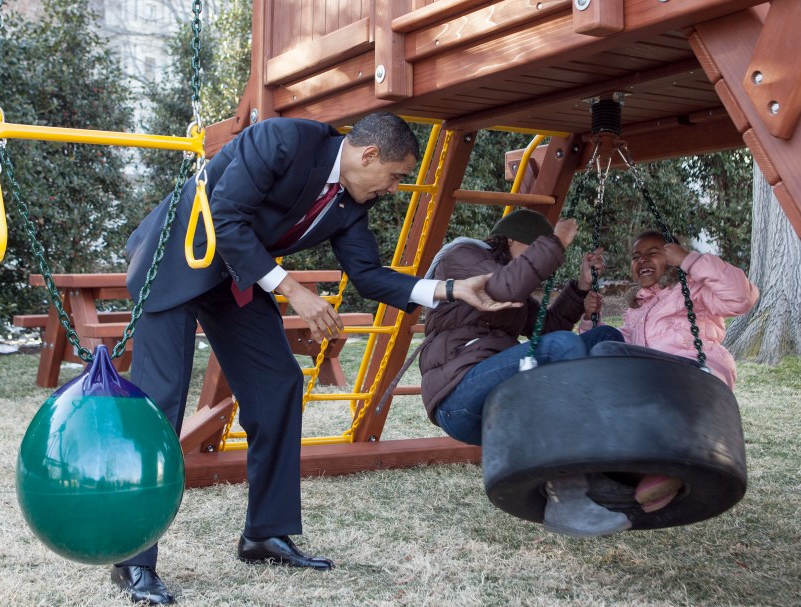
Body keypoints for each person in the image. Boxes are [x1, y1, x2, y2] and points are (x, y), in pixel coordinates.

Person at [113, 113, 520, 605]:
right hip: (178, 256)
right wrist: (292, 290)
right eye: (396, 175)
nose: (395, 187)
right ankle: (132, 560)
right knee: (161, 403)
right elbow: (224, 215)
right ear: (368, 155)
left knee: (278, 386)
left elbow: (368, 275)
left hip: (234, 275)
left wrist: (452, 289)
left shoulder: (349, 202)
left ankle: (265, 533)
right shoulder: (282, 139)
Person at [416, 208, 630, 537]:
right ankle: (566, 497)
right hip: (459, 395)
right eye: (536, 249)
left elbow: (547, 328)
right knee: (562, 346)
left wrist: (582, 285)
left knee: (605, 339)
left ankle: (607, 463)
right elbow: (502, 288)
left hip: (499, 391)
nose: (541, 267)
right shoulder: (463, 256)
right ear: (513, 239)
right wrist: (557, 241)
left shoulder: (513, 288)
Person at [583, 229, 759, 514]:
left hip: (692, 373)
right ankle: (653, 472)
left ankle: (656, 464)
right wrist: (591, 318)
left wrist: (691, 260)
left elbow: (742, 297)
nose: (642, 260)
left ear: (673, 257)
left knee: (606, 353)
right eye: (636, 257)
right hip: (654, 378)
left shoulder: (694, 289)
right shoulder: (639, 307)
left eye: (653, 253)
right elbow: (621, 343)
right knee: (602, 343)